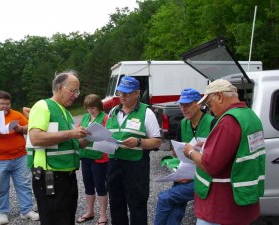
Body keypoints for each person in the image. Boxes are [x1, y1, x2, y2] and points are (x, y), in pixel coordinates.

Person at [183, 79, 266, 225]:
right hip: (243, 200)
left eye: (209, 104)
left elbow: (210, 165)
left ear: (220, 96)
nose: (210, 110)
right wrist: (209, 144)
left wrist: (191, 152)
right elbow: (238, 147)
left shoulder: (228, 121)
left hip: (221, 208)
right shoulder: (250, 116)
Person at [27, 70, 89, 225]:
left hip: (67, 176)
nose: (76, 95)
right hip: (49, 175)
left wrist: (89, 138)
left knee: (66, 219)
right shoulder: (43, 106)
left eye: (78, 91)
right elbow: (35, 138)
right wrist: (71, 133)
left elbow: (73, 142)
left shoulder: (66, 113)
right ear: (59, 88)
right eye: (73, 90)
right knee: (53, 220)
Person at [154, 88, 216, 225]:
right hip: (186, 173)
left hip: (205, 178)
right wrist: (177, 161)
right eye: (181, 105)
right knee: (175, 205)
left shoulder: (212, 122)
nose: (183, 108)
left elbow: (217, 157)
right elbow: (177, 152)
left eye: (187, 105)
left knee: (165, 198)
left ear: (199, 104)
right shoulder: (183, 123)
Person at [105, 76, 162, 225]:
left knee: (137, 205)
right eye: (120, 92)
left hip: (136, 166)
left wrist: (138, 142)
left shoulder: (146, 112)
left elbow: (157, 141)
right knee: (116, 204)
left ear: (137, 93)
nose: (122, 96)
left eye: (127, 93)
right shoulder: (113, 112)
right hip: (114, 164)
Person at [0, 91, 39, 225]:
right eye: (2, 104)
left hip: (19, 157)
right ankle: (2, 212)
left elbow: (31, 126)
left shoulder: (17, 115)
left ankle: (27, 210)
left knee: (24, 184)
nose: (5, 106)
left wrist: (21, 129)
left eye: (7, 104)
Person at [76, 94, 108, 224]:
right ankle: (90, 211)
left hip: (99, 158)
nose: (90, 111)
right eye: (88, 108)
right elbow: (77, 131)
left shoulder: (105, 117)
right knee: (88, 185)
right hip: (85, 156)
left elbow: (109, 134)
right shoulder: (84, 117)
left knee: (100, 186)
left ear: (99, 106)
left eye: (93, 108)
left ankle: (103, 215)